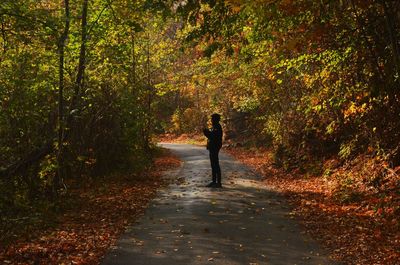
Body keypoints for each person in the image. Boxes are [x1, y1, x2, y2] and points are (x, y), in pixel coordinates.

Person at [203, 113, 223, 188]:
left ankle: (218, 183)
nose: (211, 120)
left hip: (215, 147)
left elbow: (212, 137)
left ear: (215, 119)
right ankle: (214, 181)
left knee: (215, 164)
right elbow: (211, 136)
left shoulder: (217, 127)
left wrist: (206, 132)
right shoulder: (215, 127)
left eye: (212, 119)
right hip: (212, 147)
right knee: (213, 164)